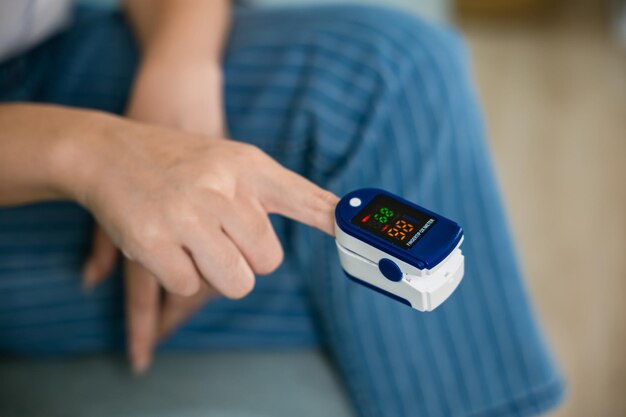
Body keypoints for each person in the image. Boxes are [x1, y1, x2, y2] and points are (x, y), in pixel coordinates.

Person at [0, 1, 564, 416]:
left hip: (61, 43)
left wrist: (181, 58)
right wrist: (94, 152)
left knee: (402, 70)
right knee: (319, 271)